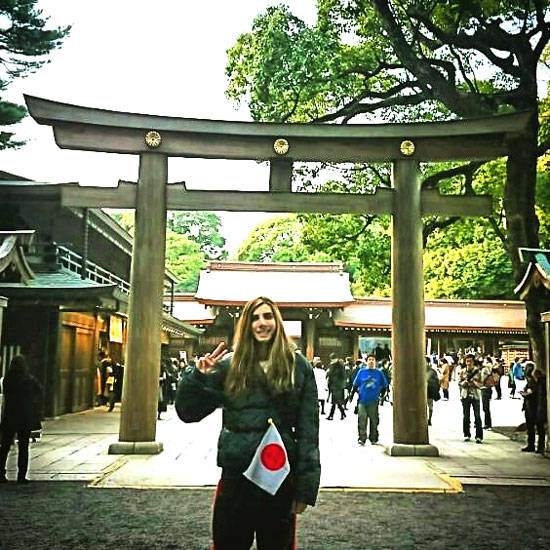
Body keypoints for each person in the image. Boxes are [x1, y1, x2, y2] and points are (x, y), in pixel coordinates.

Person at [175, 296, 320, 550]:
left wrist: (305, 488)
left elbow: (309, 431)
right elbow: (188, 413)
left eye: (267, 316)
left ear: (277, 322)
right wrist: (197, 378)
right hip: (237, 474)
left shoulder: (298, 367)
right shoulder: (229, 366)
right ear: (246, 325)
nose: (262, 323)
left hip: (279, 475)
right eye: (255, 318)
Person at [0, 355, 43, 483]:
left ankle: (1, 473)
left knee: (5, 446)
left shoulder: (7, 380)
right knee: (23, 447)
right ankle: (21, 476)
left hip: (10, 416)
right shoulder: (29, 380)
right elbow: (39, 392)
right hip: (25, 417)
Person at [351, 353, 388, 445]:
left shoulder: (379, 373)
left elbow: (384, 386)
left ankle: (373, 438)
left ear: (375, 362)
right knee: (362, 420)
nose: (371, 361)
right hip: (362, 401)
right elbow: (355, 385)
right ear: (366, 362)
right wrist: (351, 396)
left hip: (374, 401)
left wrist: (382, 396)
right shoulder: (361, 372)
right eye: (369, 360)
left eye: (373, 360)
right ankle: (362, 438)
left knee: (374, 420)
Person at [458, 354, 483, 444]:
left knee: (477, 416)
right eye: (467, 361)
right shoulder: (462, 371)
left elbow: (481, 384)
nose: (469, 363)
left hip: (475, 395)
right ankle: (466, 434)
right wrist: (465, 382)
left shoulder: (478, 372)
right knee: (466, 416)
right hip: (465, 395)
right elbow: (459, 382)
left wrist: (474, 383)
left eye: (470, 361)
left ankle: (479, 436)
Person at [326, 353, 347, 420]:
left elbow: (343, 376)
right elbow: (330, 374)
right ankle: (342, 413)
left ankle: (332, 415)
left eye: (333, 359)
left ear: (336, 358)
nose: (332, 360)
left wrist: (341, 384)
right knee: (335, 402)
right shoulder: (332, 365)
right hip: (333, 385)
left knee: (336, 401)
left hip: (338, 386)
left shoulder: (341, 366)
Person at [480, 359, 493, 430]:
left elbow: (482, 379)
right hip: (489, 389)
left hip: (484, 389)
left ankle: (487, 424)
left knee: (485, 407)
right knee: (486, 407)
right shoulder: (490, 369)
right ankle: (487, 423)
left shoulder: (485, 370)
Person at [426, 359, 441, 426]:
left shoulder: (432, 371)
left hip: (430, 391)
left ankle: (429, 419)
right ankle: (424, 418)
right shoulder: (418, 371)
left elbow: (437, 381)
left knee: (430, 407)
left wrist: (436, 390)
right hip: (421, 392)